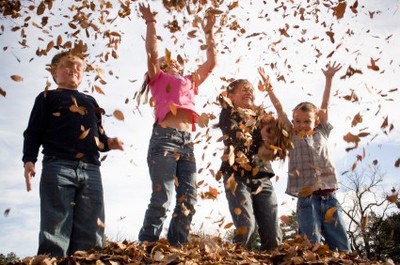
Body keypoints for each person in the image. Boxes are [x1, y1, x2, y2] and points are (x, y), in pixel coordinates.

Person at [22, 50, 124, 257]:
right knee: (56, 227)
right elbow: (33, 131)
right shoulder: (46, 97)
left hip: (91, 170)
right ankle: (52, 260)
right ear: (54, 72)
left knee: (91, 227)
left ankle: (86, 260)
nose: (74, 70)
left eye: (79, 67)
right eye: (67, 65)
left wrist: (109, 143)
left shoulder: (91, 101)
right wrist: (29, 160)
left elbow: (99, 137)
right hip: (58, 167)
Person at [137, 3, 217, 246]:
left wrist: (209, 32)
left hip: (186, 143)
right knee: (162, 196)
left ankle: (177, 246)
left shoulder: (190, 82)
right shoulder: (159, 79)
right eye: (166, 61)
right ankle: (147, 245)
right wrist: (151, 23)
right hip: (164, 139)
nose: (172, 63)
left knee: (189, 198)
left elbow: (211, 63)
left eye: (175, 62)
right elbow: (151, 53)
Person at [258, 62, 351, 252]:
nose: (302, 125)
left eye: (307, 121)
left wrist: (329, 79)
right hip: (307, 199)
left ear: (316, 121)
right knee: (311, 244)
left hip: (329, 196)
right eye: (298, 121)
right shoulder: (291, 135)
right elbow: (279, 109)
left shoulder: (322, 132)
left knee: (341, 244)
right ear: (292, 122)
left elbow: (325, 105)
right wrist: (269, 89)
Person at [217, 79, 284, 251]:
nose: (248, 92)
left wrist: (272, 139)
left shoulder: (263, 118)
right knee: (247, 225)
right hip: (237, 176)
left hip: (262, 178)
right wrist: (259, 137)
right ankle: (238, 259)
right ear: (230, 96)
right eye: (243, 89)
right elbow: (236, 137)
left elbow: (275, 142)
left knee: (273, 231)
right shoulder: (229, 113)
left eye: (251, 90)